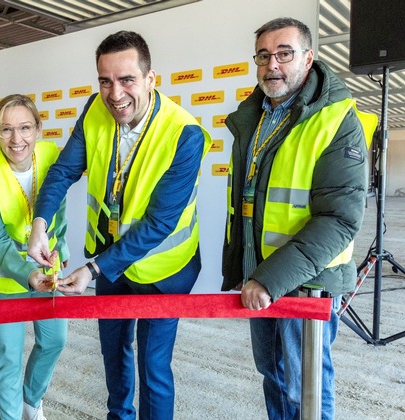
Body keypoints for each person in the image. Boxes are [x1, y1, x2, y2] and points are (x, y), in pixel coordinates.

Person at [27, 31, 212, 419]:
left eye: (127, 79)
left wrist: (93, 269)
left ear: (150, 79)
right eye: (105, 81)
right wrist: (39, 224)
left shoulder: (185, 133)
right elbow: (62, 171)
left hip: (163, 270)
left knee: (153, 367)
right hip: (111, 264)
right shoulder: (96, 108)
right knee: (113, 355)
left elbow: (160, 222)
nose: (115, 94)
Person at [221, 17, 376, 419]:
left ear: (308, 59)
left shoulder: (337, 119)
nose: (272, 64)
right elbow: (248, 203)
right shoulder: (254, 116)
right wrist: (242, 267)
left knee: (305, 386)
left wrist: (269, 279)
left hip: (306, 282)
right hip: (259, 275)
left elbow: (339, 220)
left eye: (284, 54)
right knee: (272, 375)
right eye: (263, 55)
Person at [0, 94, 69, 420]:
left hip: (46, 272)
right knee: (9, 357)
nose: (16, 139)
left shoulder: (51, 155)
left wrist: (62, 248)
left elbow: (59, 208)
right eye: (6, 129)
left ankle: (31, 401)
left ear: (38, 128)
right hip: (1, 279)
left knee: (54, 341)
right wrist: (28, 274)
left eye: (25, 128)